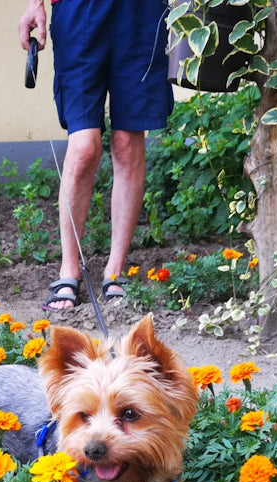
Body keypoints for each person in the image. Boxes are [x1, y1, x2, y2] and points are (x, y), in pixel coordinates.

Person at [18, 0, 173, 311]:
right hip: (79, 11)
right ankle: (69, 270)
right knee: (84, 148)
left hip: (140, 13)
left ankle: (115, 271)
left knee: (128, 143)